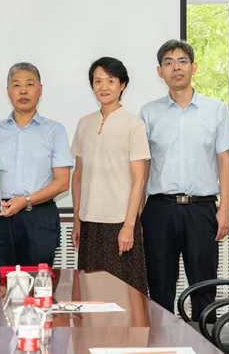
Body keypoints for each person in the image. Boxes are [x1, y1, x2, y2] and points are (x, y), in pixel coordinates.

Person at [140, 39, 229, 320]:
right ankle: (161, 341)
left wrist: (225, 209)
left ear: (193, 68)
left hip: (201, 209)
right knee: (160, 287)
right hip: (159, 210)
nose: (176, 68)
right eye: (168, 63)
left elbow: (224, 162)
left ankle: (204, 340)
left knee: (203, 287)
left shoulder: (216, 109)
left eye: (182, 61)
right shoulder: (149, 112)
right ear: (160, 72)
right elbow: (143, 166)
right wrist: (136, 211)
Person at [0, 62, 72, 268]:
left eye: (30, 84)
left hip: (38, 215)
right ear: (8, 91)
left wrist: (26, 201)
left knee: (37, 280)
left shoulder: (54, 131)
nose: (23, 91)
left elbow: (62, 182)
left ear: (40, 90)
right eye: (16, 85)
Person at [70, 57, 150, 294]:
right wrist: (77, 220)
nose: (103, 87)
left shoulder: (134, 124)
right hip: (89, 223)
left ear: (122, 85)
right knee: (90, 294)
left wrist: (129, 225)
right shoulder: (84, 123)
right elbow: (78, 176)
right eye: (98, 81)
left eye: (110, 81)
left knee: (123, 296)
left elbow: (139, 179)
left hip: (119, 223)